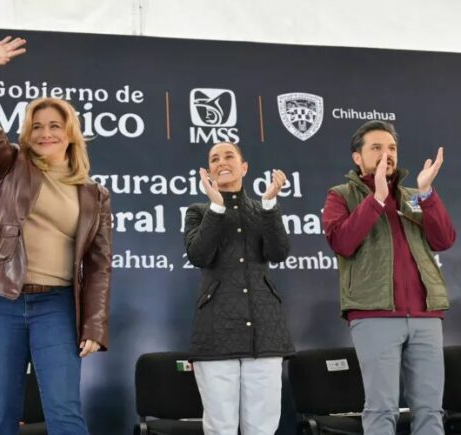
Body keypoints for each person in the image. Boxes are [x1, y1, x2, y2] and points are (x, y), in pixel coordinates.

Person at [0, 36, 112, 435]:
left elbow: (99, 266)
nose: (46, 133)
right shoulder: (11, 165)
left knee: (65, 413)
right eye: (37, 126)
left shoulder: (95, 194)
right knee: (0, 413)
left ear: (71, 133)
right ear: (28, 133)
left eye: (55, 126)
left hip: (57, 307)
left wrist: (94, 325)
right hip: (2, 302)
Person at [322, 120, 455, 435]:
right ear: (358, 157)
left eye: (392, 147)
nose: (387, 154)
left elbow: (443, 240)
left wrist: (427, 193)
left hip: (425, 315)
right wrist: (377, 198)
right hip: (374, 313)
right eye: (377, 147)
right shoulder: (341, 195)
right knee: (382, 409)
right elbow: (342, 242)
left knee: (431, 410)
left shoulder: (413, 196)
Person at [183, 142, 294, 435]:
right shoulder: (199, 211)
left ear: (244, 167)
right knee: (220, 427)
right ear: (208, 172)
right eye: (214, 159)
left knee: (262, 427)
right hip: (216, 331)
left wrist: (270, 203)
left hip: (264, 330)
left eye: (229, 156)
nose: (222, 162)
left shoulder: (263, 210)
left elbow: (278, 252)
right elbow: (199, 255)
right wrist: (216, 207)